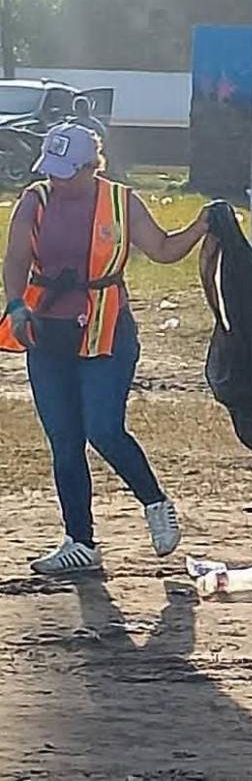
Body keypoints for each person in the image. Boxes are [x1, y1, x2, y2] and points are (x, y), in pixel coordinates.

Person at [0, 123, 210, 575]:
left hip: (107, 331)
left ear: (91, 167)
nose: (56, 180)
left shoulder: (121, 201)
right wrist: (15, 303)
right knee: (64, 441)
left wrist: (203, 226)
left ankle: (155, 504)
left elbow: (164, 249)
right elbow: (16, 258)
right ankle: (80, 540)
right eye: (51, 171)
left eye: (66, 172)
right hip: (47, 331)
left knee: (104, 430)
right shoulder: (34, 201)